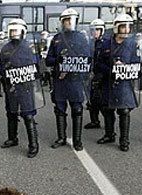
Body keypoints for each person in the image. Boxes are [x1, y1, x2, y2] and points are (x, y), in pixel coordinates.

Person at [46, 8, 91, 151]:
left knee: (77, 109)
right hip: (60, 80)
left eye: (71, 20)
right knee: (59, 109)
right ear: (62, 22)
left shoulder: (82, 38)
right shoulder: (56, 38)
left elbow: (88, 59)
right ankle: (61, 138)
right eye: (66, 20)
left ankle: (77, 140)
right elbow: (48, 60)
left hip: (76, 80)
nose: (68, 23)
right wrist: (57, 60)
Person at [96, 14, 141, 152]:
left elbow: (137, 63)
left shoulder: (132, 44)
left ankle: (124, 140)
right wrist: (111, 69)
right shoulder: (106, 44)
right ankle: (109, 135)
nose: (126, 30)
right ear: (117, 27)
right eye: (123, 26)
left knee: (124, 111)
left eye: (128, 26)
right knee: (107, 109)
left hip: (124, 84)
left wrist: (127, 67)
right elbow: (98, 63)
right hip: (109, 82)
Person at [0, 19, 42, 158]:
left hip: (25, 86)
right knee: (11, 113)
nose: (14, 33)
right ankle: (13, 139)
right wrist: (4, 73)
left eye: (16, 30)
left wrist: (32, 74)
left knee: (28, 115)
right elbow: (1, 65)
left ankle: (33, 145)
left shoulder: (30, 47)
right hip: (11, 86)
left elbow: (38, 66)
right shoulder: (5, 48)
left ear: (23, 31)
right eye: (11, 30)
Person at [84, 19, 106, 130]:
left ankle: (109, 125)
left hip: (101, 75)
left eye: (98, 29)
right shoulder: (89, 43)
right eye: (93, 30)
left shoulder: (106, 44)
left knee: (101, 101)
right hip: (90, 74)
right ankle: (94, 121)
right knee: (91, 99)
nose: (95, 32)